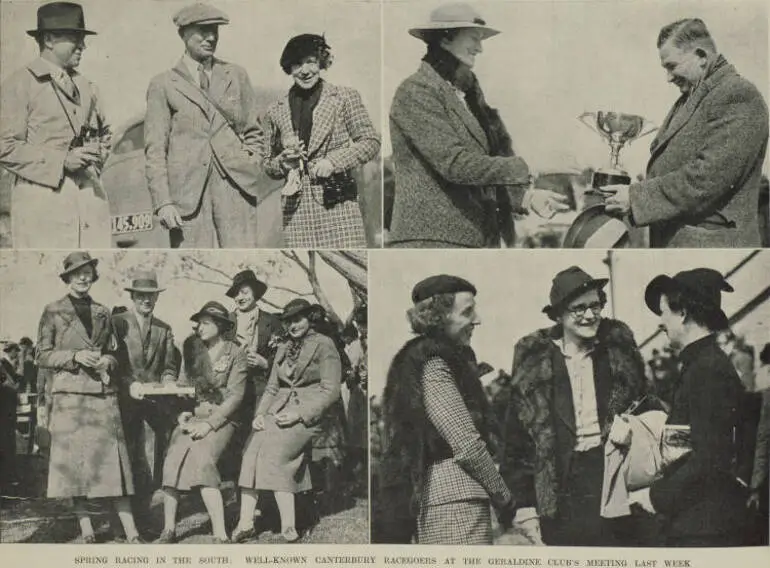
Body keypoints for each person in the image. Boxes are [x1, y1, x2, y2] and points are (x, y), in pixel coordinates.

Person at [387, 3, 569, 248]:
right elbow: (456, 164)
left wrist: (525, 198)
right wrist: (530, 166)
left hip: (473, 238)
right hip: (432, 240)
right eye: (474, 38)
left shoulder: (466, 93)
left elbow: (482, 167)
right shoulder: (416, 91)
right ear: (446, 38)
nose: (480, 48)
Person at [500, 266, 649, 546]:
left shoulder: (617, 352)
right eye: (578, 309)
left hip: (611, 478)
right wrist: (524, 505)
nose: (590, 315)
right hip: (560, 486)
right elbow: (517, 440)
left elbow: (646, 408)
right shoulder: (535, 361)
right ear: (558, 314)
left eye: (595, 306)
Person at [603, 18, 769, 248]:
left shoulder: (738, 95)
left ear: (701, 56)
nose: (668, 77)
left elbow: (707, 179)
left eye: (672, 66)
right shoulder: (694, 96)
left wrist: (635, 198)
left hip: (713, 250)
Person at [374, 275, 514, 544]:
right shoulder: (433, 362)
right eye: (467, 311)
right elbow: (467, 445)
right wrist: (504, 496)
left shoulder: (431, 358)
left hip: (443, 497)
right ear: (439, 316)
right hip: (456, 500)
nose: (478, 320)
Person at [144, 3, 282, 249]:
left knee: (242, 254)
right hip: (187, 196)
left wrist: (251, 163)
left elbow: (253, 131)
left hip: (236, 187)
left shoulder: (235, 75)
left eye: (215, 30)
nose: (211, 37)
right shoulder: (163, 84)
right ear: (183, 33)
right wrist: (163, 202)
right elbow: (155, 150)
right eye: (202, 30)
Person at [630, 268, 748, 546]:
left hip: (705, 528)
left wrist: (653, 496)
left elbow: (710, 457)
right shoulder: (702, 363)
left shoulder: (707, 369)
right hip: (698, 519)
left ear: (682, 311)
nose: (661, 322)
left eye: (663, 312)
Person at [36, 252, 141, 543]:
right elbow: (41, 355)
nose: (83, 278)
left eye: (88, 272)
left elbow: (115, 353)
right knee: (75, 467)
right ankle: (87, 529)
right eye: (77, 273)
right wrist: (74, 356)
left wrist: (108, 361)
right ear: (68, 277)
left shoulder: (103, 311)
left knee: (115, 465)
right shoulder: (52, 311)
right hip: (69, 397)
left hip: (101, 395)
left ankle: (132, 532)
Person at [0, 1, 111, 248]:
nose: (83, 45)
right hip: (42, 204)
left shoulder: (89, 88)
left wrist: (95, 161)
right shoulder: (19, 84)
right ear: (49, 39)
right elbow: (4, 146)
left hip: (90, 203)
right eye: (74, 37)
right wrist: (62, 161)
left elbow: (106, 135)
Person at [235, 299, 342, 543]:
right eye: (288, 321)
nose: (293, 325)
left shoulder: (325, 345)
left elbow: (331, 390)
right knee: (251, 450)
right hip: (277, 410)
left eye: (298, 319)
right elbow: (272, 387)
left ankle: (289, 526)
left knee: (276, 452)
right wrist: (260, 415)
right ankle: (246, 523)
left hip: (309, 414)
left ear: (309, 319)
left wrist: (299, 414)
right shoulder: (283, 347)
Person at [262, 34, 380, 248]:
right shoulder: (274, 111)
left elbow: (370, 141)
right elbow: (267, 164)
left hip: (339, 206)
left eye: (310, 61)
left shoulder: (344, 98)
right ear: (289, 68)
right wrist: (283, 162)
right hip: (296, 212)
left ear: (322, 62)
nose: (304, 70)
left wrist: (334, 162)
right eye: (297, 64)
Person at [155, 301, 246, 543]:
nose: (200, 328)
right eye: (199, 323)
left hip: (222, 419)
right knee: (172, 458)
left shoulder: (235, 353)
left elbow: (236, 396)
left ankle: (219, 532)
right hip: (194, 416)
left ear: (220, 326)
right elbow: (185, 385)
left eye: (205, 323)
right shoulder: (193, 351)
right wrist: (182, 410)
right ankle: (169, 529)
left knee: (204, 458)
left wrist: (209, 424)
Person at [112, 271, 179, 533]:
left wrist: (169, 381)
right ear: (133, 296)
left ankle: (144, 517)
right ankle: (120, 524)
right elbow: (114, 362)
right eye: (141, 296)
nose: (146, 300)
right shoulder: (117, 323)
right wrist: (130, 385)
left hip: (152, 406)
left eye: (150, 296)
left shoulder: (165, 329)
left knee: (149, 463)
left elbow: (169, 365)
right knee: (123, 462)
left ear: (156, 298)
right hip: (122, 404)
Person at [0, 340, 21, 494]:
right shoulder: (3, 364)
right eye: (16, 351)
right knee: (7, 442)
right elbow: (10, 386)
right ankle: (9, 476)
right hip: (5, 410)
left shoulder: (5, 365)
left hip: (7, 409)